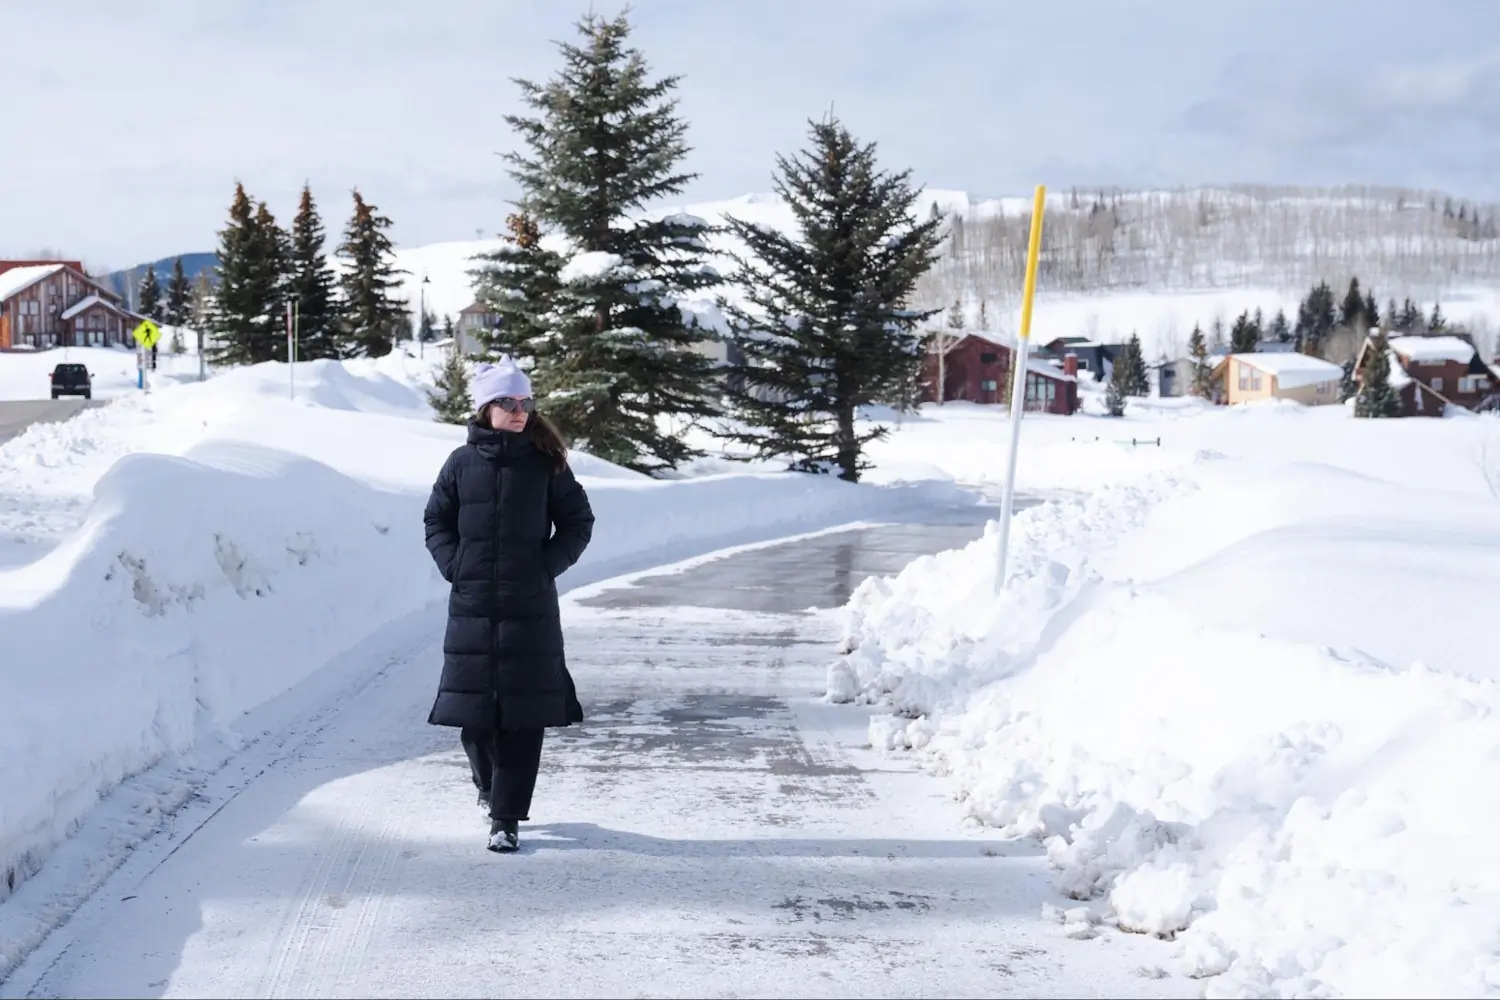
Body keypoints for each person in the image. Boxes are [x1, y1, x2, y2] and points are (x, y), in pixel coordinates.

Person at [422, 355, 594, 853]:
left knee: (522, 716)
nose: (520, 411)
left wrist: (545, 567)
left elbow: (579, 522)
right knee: (475, 720)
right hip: (472, 607)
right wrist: (455, 565)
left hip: (529, 609)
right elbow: (436, 519)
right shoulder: (460, 463)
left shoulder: (547, 464)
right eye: (508, 402)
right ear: (485, 409)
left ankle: (506, 817)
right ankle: (486, 784)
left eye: (525, 402)